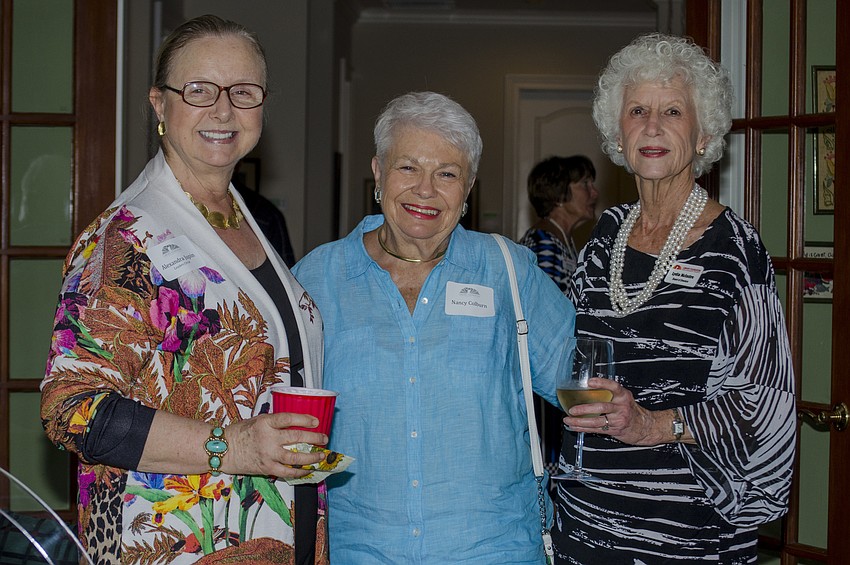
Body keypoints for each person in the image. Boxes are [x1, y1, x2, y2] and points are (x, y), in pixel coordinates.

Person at [40, 15, 337, 564]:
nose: (222, 111)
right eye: (198, 90)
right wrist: (234, 445)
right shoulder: (126, 236)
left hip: (267, 530)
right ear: (159, 104)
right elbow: (72, 408)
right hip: (175, 544)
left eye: (243, 92)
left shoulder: (247, 219)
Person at [292, 91, 576, 563]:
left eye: (447, 173)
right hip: (356, 548)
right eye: (408, 167)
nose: (426, 190)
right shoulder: (318, 278)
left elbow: (583, 380)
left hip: (493, 547)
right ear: (379, 173)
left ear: (468, 189)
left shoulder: (509, 272)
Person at [551, 33, 796, 564]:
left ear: (703, 131)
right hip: (586, 526)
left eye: (673, 111)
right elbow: (571, 359)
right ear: (618, 130)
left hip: (687, 536)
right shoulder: (605, 235)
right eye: (637, 110)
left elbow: (768, 411)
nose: (652, 126)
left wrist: (652, 425)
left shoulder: (735, 250)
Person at [519, 155, 599, 294]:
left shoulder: (561, 240)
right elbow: (544, 307)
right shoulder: (543, 242)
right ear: (559, 193)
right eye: (585, 184)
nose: (595, 193)